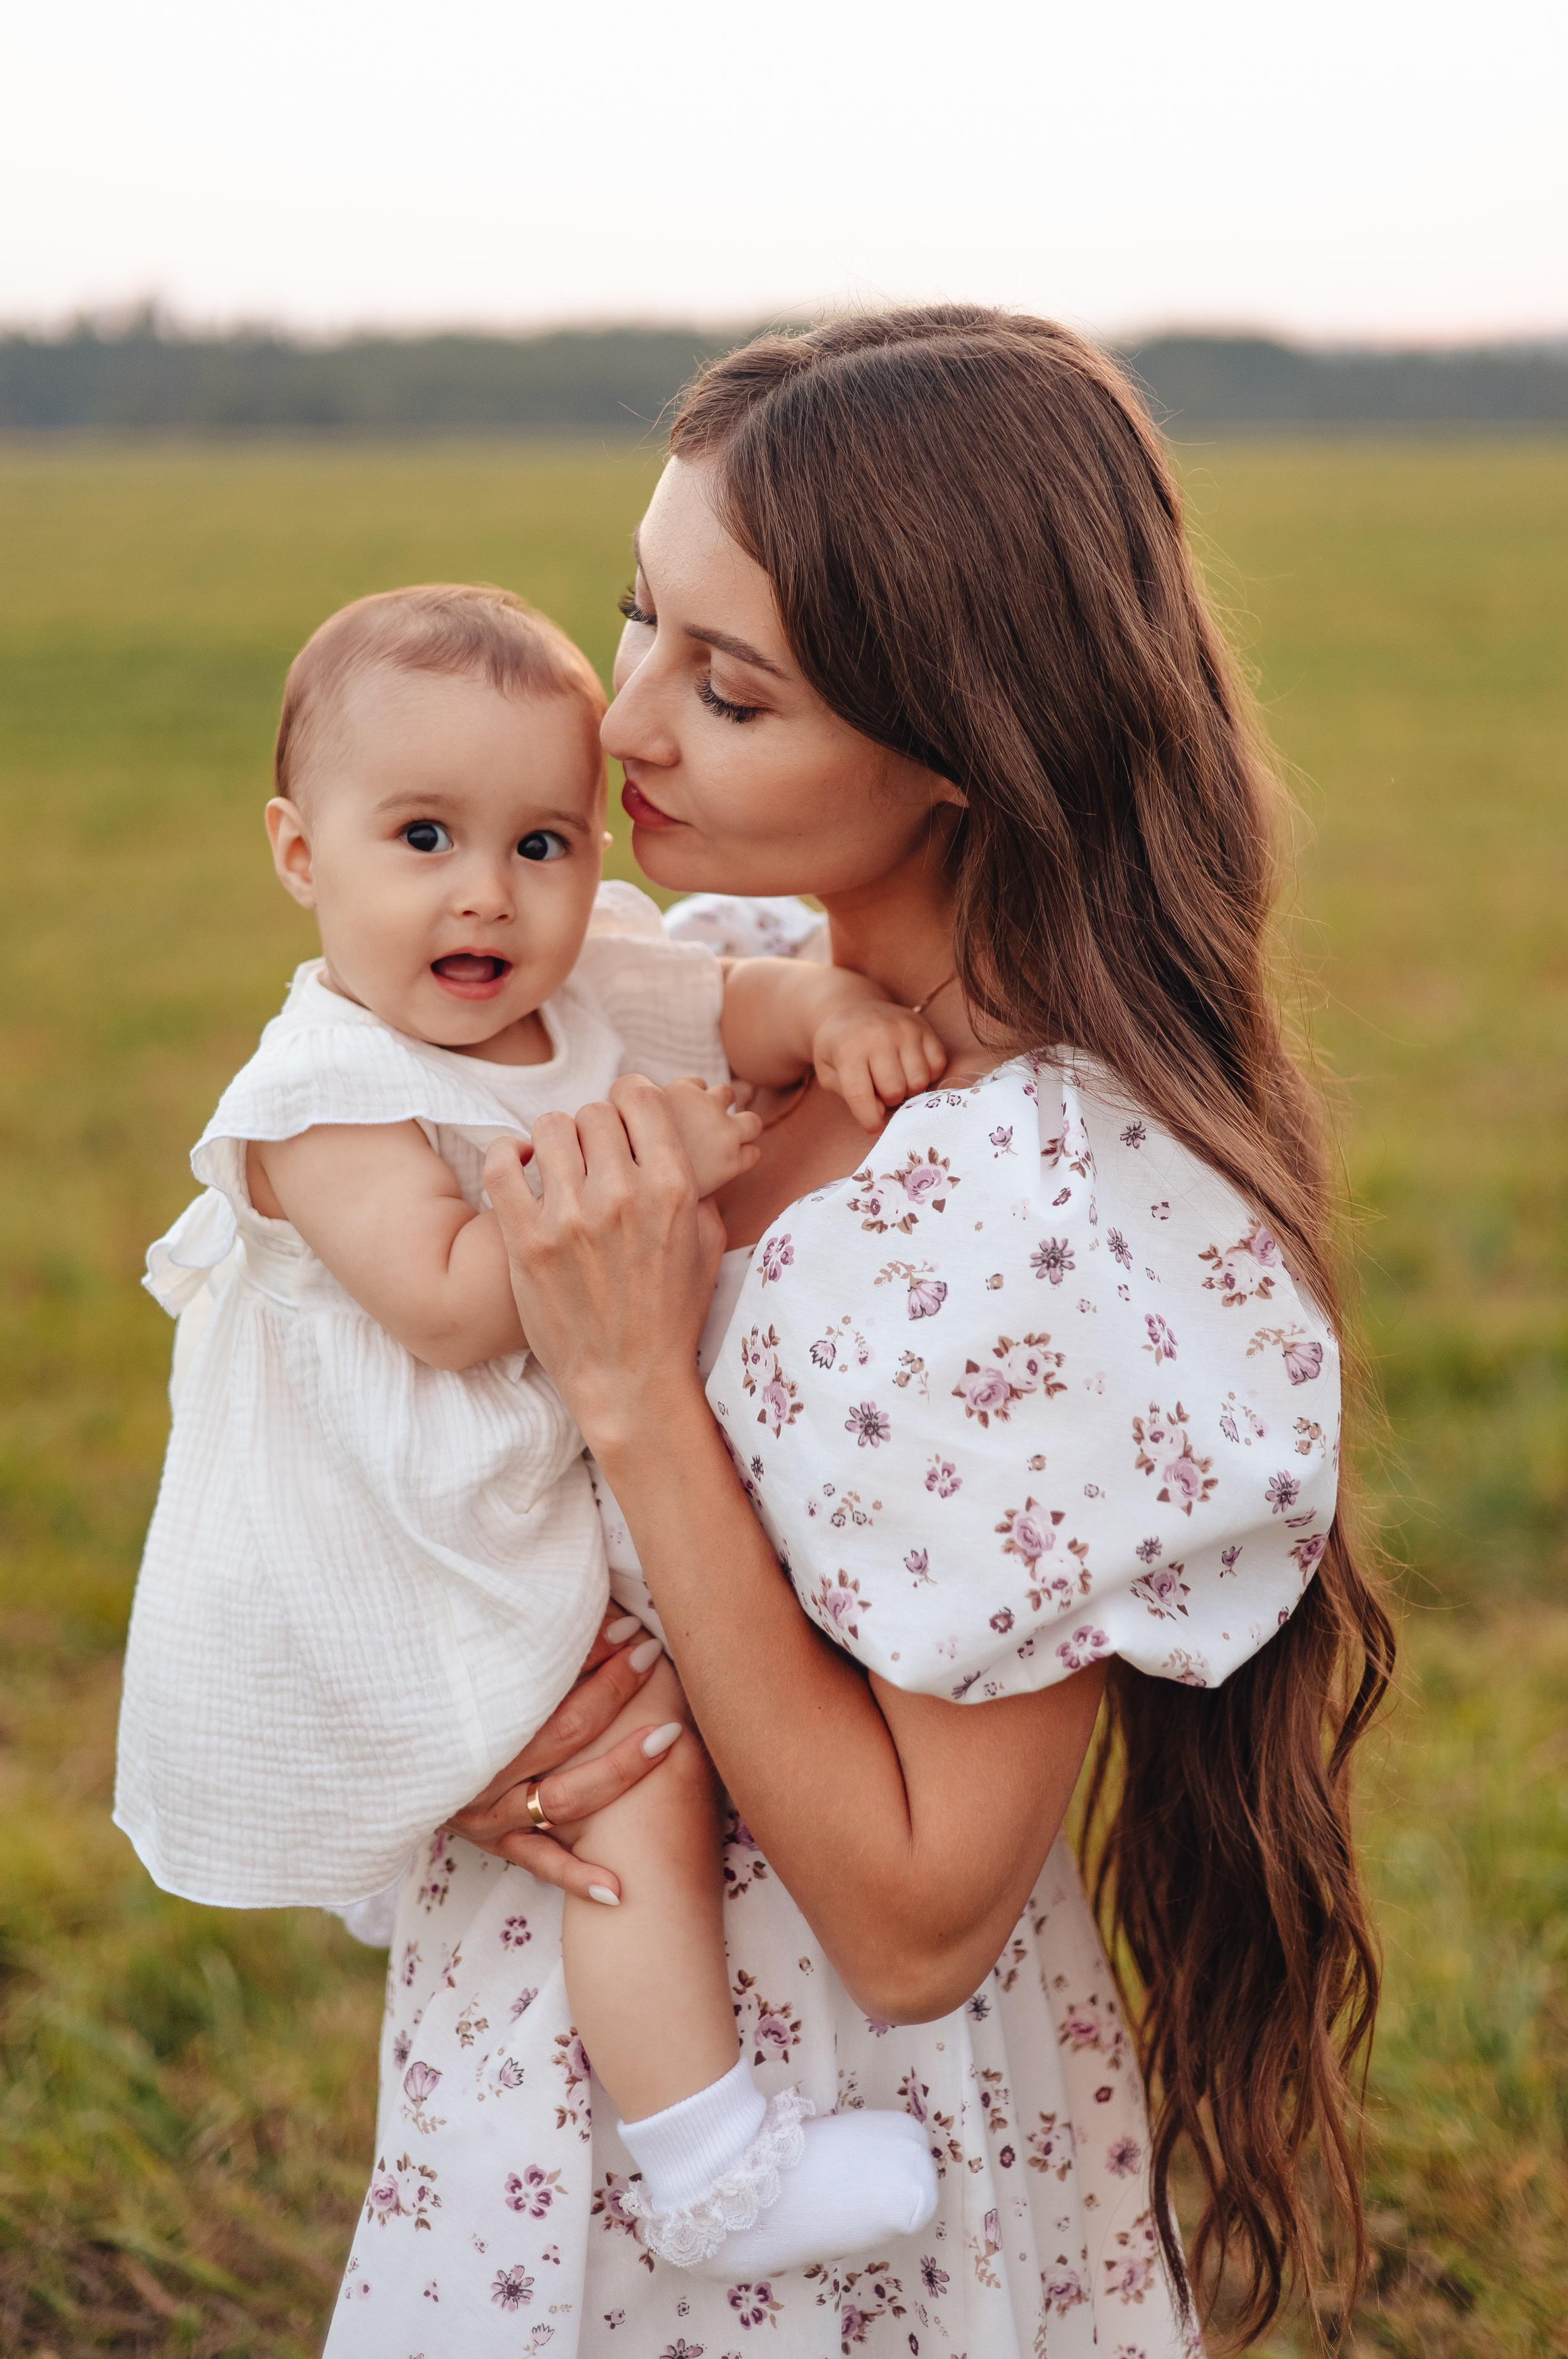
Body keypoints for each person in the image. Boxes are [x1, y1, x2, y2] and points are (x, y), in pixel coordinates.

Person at [327, 308, 1394, 2357]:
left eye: (727, 691)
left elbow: (918, 1921)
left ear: (961, 745)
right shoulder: (686, 990)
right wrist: (437, 1731)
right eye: (639, 618)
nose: (616, 726)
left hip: (830, 2155)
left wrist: (641, 1391)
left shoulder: (1029, 1218)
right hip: (533, 2071)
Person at [115, 581, 945, 2281]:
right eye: (421, 837)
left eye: (543, 843)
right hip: (408, 1536)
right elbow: (439, 1296)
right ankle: (712, 2164)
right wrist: (656, 1171)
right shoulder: (320, 1090)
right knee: (635, 1778)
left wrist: (836, 1021)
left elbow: (738, 1005)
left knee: (648, 1750)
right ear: (299, 854)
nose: (486, 893)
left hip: (521, 1494)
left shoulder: (585, 988)